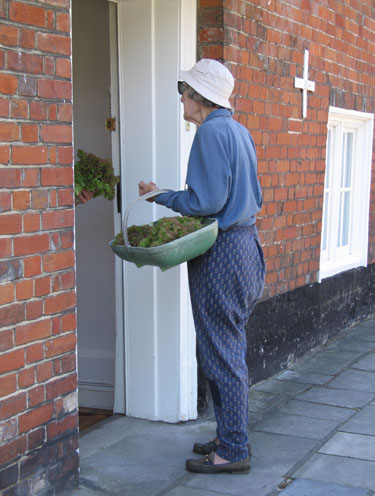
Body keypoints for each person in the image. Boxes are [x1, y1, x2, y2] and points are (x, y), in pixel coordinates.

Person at [139, 58, 265, 475]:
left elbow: (206, 203)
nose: (180, 97)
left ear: (201, 98)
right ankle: (230, 433)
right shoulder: (239, 131)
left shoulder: (211, 133)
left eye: (184, 89)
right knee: (228, 349)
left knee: (222, 353)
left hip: (223, 251)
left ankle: (232, 449)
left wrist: (162, 196)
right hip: (247, 248)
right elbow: (249, 195)